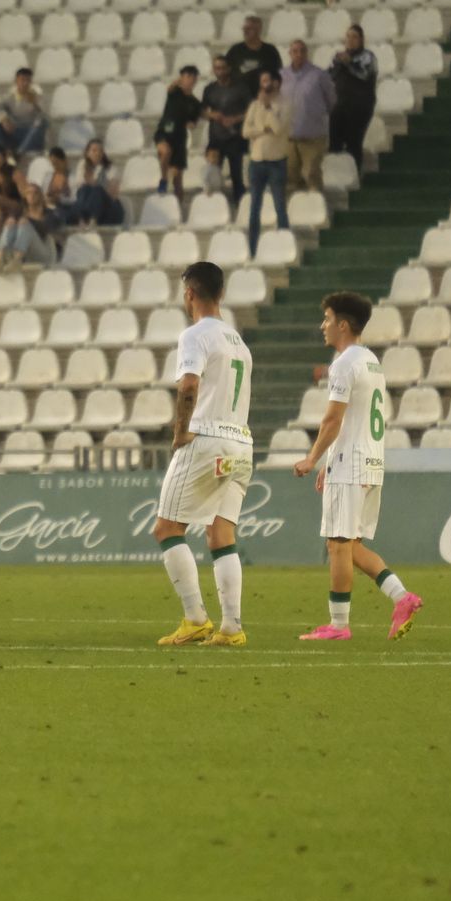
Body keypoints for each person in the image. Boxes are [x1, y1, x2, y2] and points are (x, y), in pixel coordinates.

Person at [293, 291, 423, 641]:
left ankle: (337, 626)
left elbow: (333, 419)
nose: (323, 326)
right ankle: (402, 596)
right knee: (349, 546)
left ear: (343, 325)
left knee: (337, 545)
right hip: (369, 462)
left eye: (328, 319)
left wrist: (312, 458)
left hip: (350, 466)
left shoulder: (345, 363)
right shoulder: (371, 362)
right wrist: (330, 460)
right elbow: (357, 419)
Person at [150, 261, 253, 648]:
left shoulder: (195, 336)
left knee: (167, 529)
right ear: (221, 294)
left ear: (189, 293)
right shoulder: (238, 342)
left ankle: (195, 618)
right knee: (221, 533)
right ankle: (231, 627)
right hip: (241, 441)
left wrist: (180, 432)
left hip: (206, 439)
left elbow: (188, 386)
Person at [242, 70, 290, 255]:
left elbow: (278, 129)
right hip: (256, 161)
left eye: (269, 81)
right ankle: (253, 249)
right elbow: (246, 131)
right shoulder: (254, 105)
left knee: (280, 206)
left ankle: (286, 246)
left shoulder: (285, 105)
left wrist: (269, 109)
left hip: (276, 162)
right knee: (254, 208)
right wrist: (263, 128)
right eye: (263, 82)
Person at [281, 39, 336, 193]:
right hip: (288, 137)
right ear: (290, 54)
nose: (299, 54)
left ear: (307, 53)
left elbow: (331, 100)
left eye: (302, 51)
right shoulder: (281, 76)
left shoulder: (319, 75)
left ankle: (318, 209)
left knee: (312, 175)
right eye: (295, 51)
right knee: (290, 177)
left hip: (313, 136)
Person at [329, 24, 377, 174]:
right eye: (348, 37)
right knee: (334, 144)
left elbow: (364, 75)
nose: (350, 40)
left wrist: (348, 62)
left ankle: (354, 175)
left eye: (354, 37)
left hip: (360, 107)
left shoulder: (368, 56)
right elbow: (330, 76)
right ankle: (337, 175)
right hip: (340, 105)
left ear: (361, 40)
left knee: (353, 142)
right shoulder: (339, 57)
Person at [201, 55, 251, 199]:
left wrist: (235, 118)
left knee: (236, 176)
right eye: (217, 68)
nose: (220, 71)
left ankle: (240, 207)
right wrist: (212, 115)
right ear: (213, 70)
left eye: (223, 68)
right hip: (215, 138)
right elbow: (201, 111)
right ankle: (215, 209)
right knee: (212, 176)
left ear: (228, 68)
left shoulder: (240, 88)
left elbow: (252, 110)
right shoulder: (209, 89)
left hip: (235, 137)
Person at [155, 65, 203, 199]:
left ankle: (179, 209)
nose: (189, 80)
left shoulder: (195, 103)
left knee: (177, 179)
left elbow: (194, 122)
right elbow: (169, 88)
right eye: (186, 77)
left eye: (192, 77)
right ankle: (163, 179)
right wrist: (179, 80)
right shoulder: (175, 92)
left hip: (179, 138)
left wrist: (191, 123)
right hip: (165, 131)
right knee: (165, 151)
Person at [0, 182, 56, 272]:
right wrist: (12, 219)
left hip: (43, 254)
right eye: (29, 193)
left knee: (25, 225)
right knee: (10, 224)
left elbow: (47, 228)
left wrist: (29, 222)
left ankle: (16, 261)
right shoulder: (21, 213)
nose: (32, 195)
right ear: (25, 196)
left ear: (41, 196)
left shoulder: (49, 213)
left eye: (35, 193)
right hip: (25, 254)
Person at [0, 67, 47, 156]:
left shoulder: (38, 98)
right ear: (16, 81)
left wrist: (35, 103)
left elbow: (44, 117)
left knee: (42, 122)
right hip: (13, 131)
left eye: (28, 80)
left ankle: (18, 154)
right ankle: (0, 152)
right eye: (22, 80)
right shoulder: (9, 98)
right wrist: (3, 119)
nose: (25, 83)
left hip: (30, 135)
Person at [225, 15, 282, 96]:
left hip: (262, 99)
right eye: (244, 29)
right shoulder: (235, 50)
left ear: (258, 30)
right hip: (239, 99)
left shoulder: (270, 51)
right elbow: (226, 73)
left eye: (249, 29)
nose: (245, 32)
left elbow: (276, 77)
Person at [72, 138, 124, 224]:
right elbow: (80, 189)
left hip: (109, 210)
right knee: (83, 190)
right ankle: (82, 220)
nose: (98, 153)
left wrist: (96, 183)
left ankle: (93, 220)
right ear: (87, 153)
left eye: (100, 151)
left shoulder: (111, 168)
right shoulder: (83, 166)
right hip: (88, 208)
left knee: (97, 190)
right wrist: (92, 180)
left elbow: (113, 194)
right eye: (94, 150)